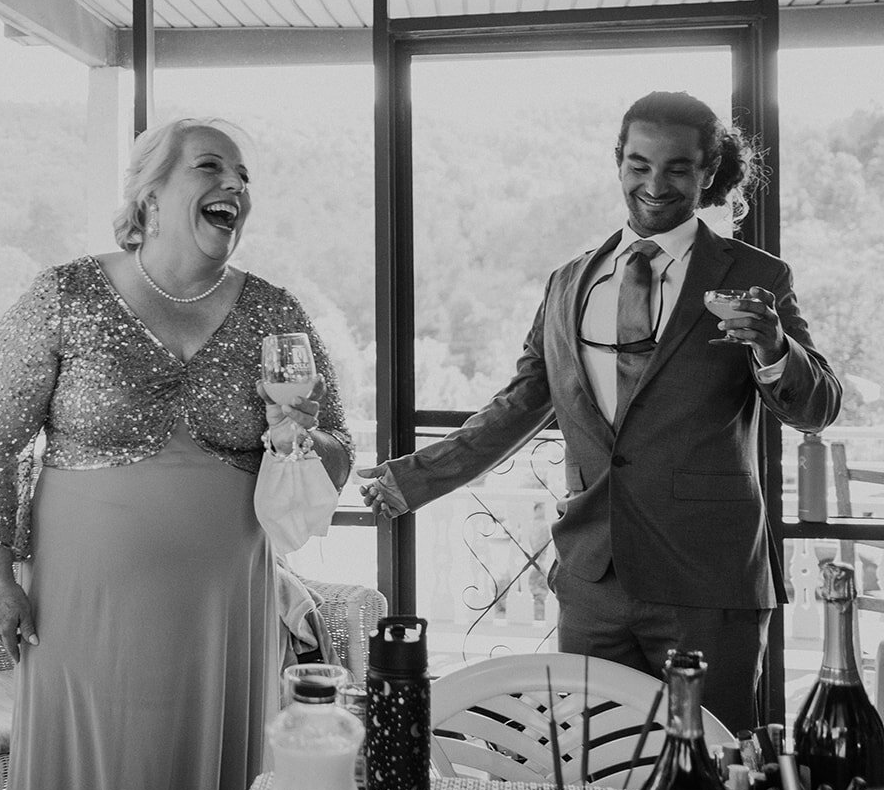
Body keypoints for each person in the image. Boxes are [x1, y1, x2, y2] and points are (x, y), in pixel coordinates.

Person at [360, 90, 843, 731]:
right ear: (618, 163)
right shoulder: (568, 283)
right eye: (639, 164)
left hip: (706, 578)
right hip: (593, 579)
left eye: (678, 167)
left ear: (708, 173)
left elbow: (819, 407)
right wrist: (411, 478)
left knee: (705, 766)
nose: (655, 183)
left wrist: (774, 346)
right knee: (590, 766)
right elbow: (520, 405)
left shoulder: (758, 277)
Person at [0, 118, 356, 790]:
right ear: (149, 194)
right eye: (211, 167)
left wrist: (299, 437)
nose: (234, 185)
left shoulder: (275, 311)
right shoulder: (66, 295)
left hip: (225, 613)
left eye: (244, 177)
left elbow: (338, 451)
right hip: (83, 612)